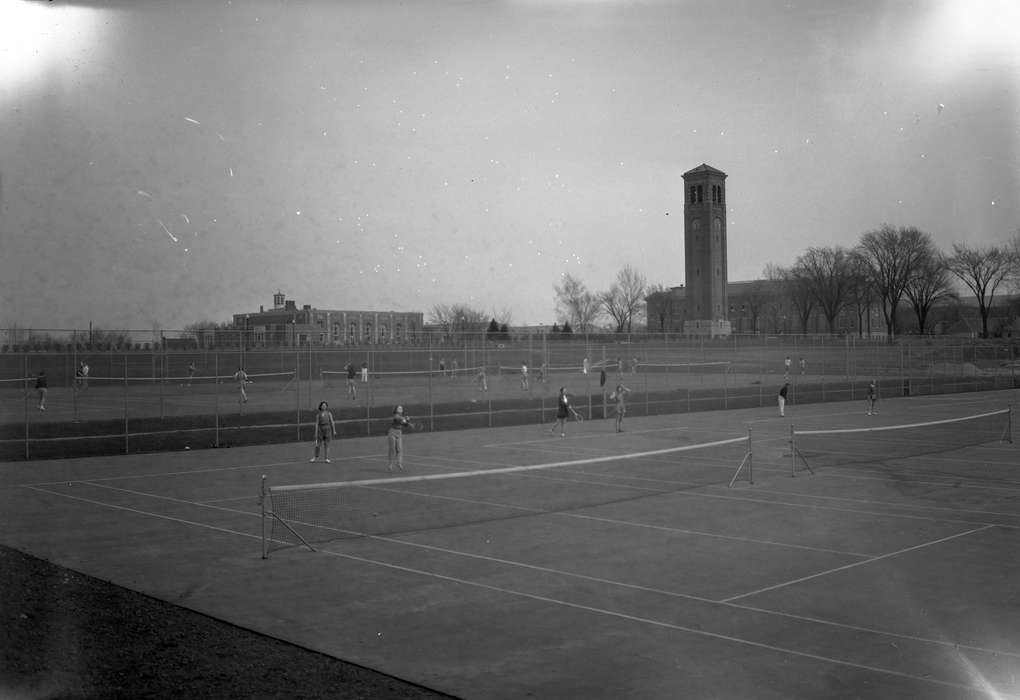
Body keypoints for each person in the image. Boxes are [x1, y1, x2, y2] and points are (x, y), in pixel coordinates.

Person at [387, 405, 413, 472]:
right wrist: (407, 419)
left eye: (401, 408)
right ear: (396, 410)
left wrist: (408, 422)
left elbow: (405, 425)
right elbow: (399, 419)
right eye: (399, 408)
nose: (400, 409)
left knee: (399, 449)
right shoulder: (395, 415)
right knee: (392, 449)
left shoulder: (402, 417)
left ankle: (399, 463)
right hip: (392, 432)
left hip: (399, 433)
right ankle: (390, 464)